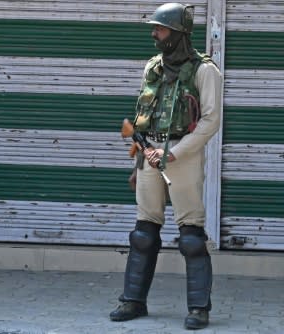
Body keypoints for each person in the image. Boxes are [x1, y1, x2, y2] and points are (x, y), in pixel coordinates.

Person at [109, 3, 222, 330]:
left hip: (182, 157)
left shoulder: (205, 71)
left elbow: (211, 121)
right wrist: (139, 163)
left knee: (191, 236)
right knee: (143, 233)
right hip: (149, 154)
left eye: (160, 28)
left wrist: (174, 153)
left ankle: (199, 308)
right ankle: (133, 301)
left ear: (178, 33)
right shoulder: (152, 67)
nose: (154, 34)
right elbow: (143, 116)